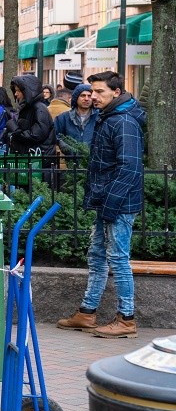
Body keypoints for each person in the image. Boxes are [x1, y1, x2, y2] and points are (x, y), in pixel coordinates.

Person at [56, 71, 147, 339]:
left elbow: (129, 168)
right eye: (92, 91)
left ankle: (126, 318)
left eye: (100, 92)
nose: (93, 96)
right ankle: (87, 312)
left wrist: (111, 203)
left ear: (116, 93)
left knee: (118, 259)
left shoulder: (123, 122)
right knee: (96, 256)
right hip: (107, 200)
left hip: (117, 203)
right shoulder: (110, 117)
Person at [7, 75, 56, 155]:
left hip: (37, 160)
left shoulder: (39, 108)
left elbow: (36, 135)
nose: (16, 94)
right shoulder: (26, 108)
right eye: (15, 91)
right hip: (28, 157)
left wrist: (15, 130)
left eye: (18, 91)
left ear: (27, 92)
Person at [55, 83, 97, 154]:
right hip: (71, 161)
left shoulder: (99, 117)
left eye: (89, 96)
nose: (86, 99)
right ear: (76, 98)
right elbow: (55, 134)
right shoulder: (63, 118)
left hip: (93, 160)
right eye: (83, 96)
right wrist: (63, 144)